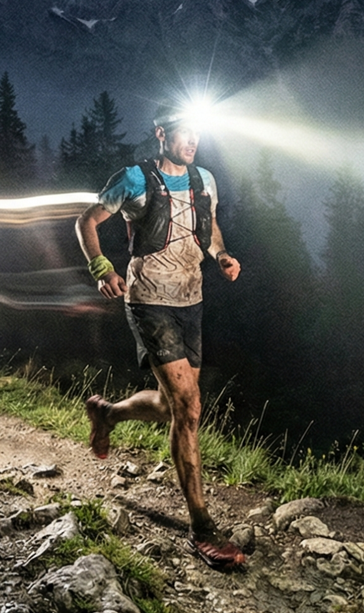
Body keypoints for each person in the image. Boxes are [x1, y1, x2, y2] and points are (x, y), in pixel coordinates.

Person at [75, 111, 246, 570]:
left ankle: (107, 413)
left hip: (192, 301)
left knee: (175, 406)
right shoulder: (133, 179)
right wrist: (102, 268)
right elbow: (86, 222)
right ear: (161, 134)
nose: (192, 140)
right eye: (183, 132)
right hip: (148, 301)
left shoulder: (203, 179)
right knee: (190, 407)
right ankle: (202, 528)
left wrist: (223, 254)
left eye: (197, 132)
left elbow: (209, 230)